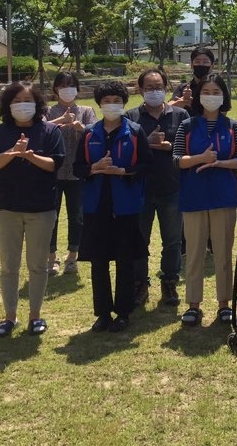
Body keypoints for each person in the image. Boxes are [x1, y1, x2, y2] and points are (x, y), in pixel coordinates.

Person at [0, 82, 66, 337]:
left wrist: (29, 155)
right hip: (6, 208)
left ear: (37, 104)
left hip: (41, 208)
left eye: (27, 100)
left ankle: (35, 316)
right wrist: (12, 152)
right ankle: (10, 316)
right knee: (9, 266)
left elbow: (54, 164)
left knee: (38, 265)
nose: (22, 105)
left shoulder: (50, 131)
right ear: (7, 105)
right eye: (16, 100)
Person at [74, 82, 153, 333]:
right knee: (98, 261)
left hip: (126, 205)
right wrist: (94, 168)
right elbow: (77, 168)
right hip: (96, 205)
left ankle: (123, 312)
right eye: (106, 100)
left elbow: (146, 165)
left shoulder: (135, 131)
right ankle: (103, 313)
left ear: (124, 103)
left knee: (124, 260)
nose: (111, 105)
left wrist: (125, 171)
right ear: (99, 104)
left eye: (116, 100)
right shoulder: (89, 133)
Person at [174, 73, 237, 326]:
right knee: (194, 254)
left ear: (224, 96)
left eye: (216, 92)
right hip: (193, 197)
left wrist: (218, 163)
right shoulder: (187, 126)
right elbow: (177, 160)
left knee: (222, 253)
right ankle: (193, 305)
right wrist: (200, 159)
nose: (211, 96)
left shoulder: (233, 126)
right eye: (206, 91)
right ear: (198, 96)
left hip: (222, 197)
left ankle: (224, 304)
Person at [126, 69, 187, 308]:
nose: (154, 91)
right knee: (138, 239)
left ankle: (169, 281)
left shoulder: (180, 115)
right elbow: (124, 152)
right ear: (141, 89)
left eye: (159, 86)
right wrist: (146, 144)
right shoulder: (130, 117)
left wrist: (171, 146)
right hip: (139, 188)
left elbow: (187, 149)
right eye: (149, 87)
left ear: (166, 87)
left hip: (172, 187)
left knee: (172, 240)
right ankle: (139, 283)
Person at [45, 71, 97, 275]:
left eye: (71, 85)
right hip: (52, 173)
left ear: (77, 89)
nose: (67, 89)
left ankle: (73, 256)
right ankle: (51, 257)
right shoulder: (48, 111)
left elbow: (95, 134)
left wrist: (80, 127)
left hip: (78, 174)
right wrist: (61, 120)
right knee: (51, 216)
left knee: (77, 216)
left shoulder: (86, 110)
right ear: (55, 89)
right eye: (62, 85)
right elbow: (39, 129)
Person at [170, 46, 215, 110]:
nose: (201, 64)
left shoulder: (218, 88)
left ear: (212, 66)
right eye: (197, 62)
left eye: (205, 62)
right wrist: (180, 102)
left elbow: (224, 110)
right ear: (191, 65)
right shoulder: (184, 88)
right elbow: (167, 107)